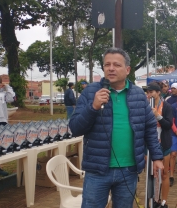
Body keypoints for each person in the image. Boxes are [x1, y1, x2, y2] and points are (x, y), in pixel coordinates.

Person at [69, 47, 164, 208]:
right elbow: (75, 128)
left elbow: (149, 128)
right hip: (97, 170)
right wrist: (93, 106)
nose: (111, 68)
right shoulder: (91, 91)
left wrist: (157, 157)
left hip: (128, 170)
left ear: (127, 70)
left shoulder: (138, 95)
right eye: (107, 65)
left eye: (116, 65)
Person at [146, 82, 173, 208]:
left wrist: (157, 115)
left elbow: (168, 125)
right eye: (148, 92)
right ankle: (153, 199)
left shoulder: (167, 106)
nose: (149, 94)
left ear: (158, 93)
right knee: (152, 173)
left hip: (164, 143)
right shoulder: (145, 106)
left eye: (151, 92)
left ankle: (164, 201)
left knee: (164, 173)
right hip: (150, 144)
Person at [0, 74, 16, 177]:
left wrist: (7, 87)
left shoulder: (3, 93)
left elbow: (11, 98)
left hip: (2, 121)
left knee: (0, 144)